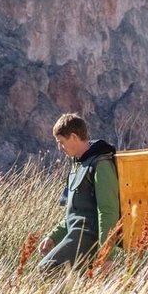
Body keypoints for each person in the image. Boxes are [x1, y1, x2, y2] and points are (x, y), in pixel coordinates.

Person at [37, 113, 121, 271]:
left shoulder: (101, 164)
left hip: (89, 237)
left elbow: (108, 212)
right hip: (76, 236)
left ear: (74, 137)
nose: (60, 147)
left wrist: (106, 255)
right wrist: (54, 236)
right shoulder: (77, 165)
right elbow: (74, 212)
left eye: (61, 142)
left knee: (46, 269)